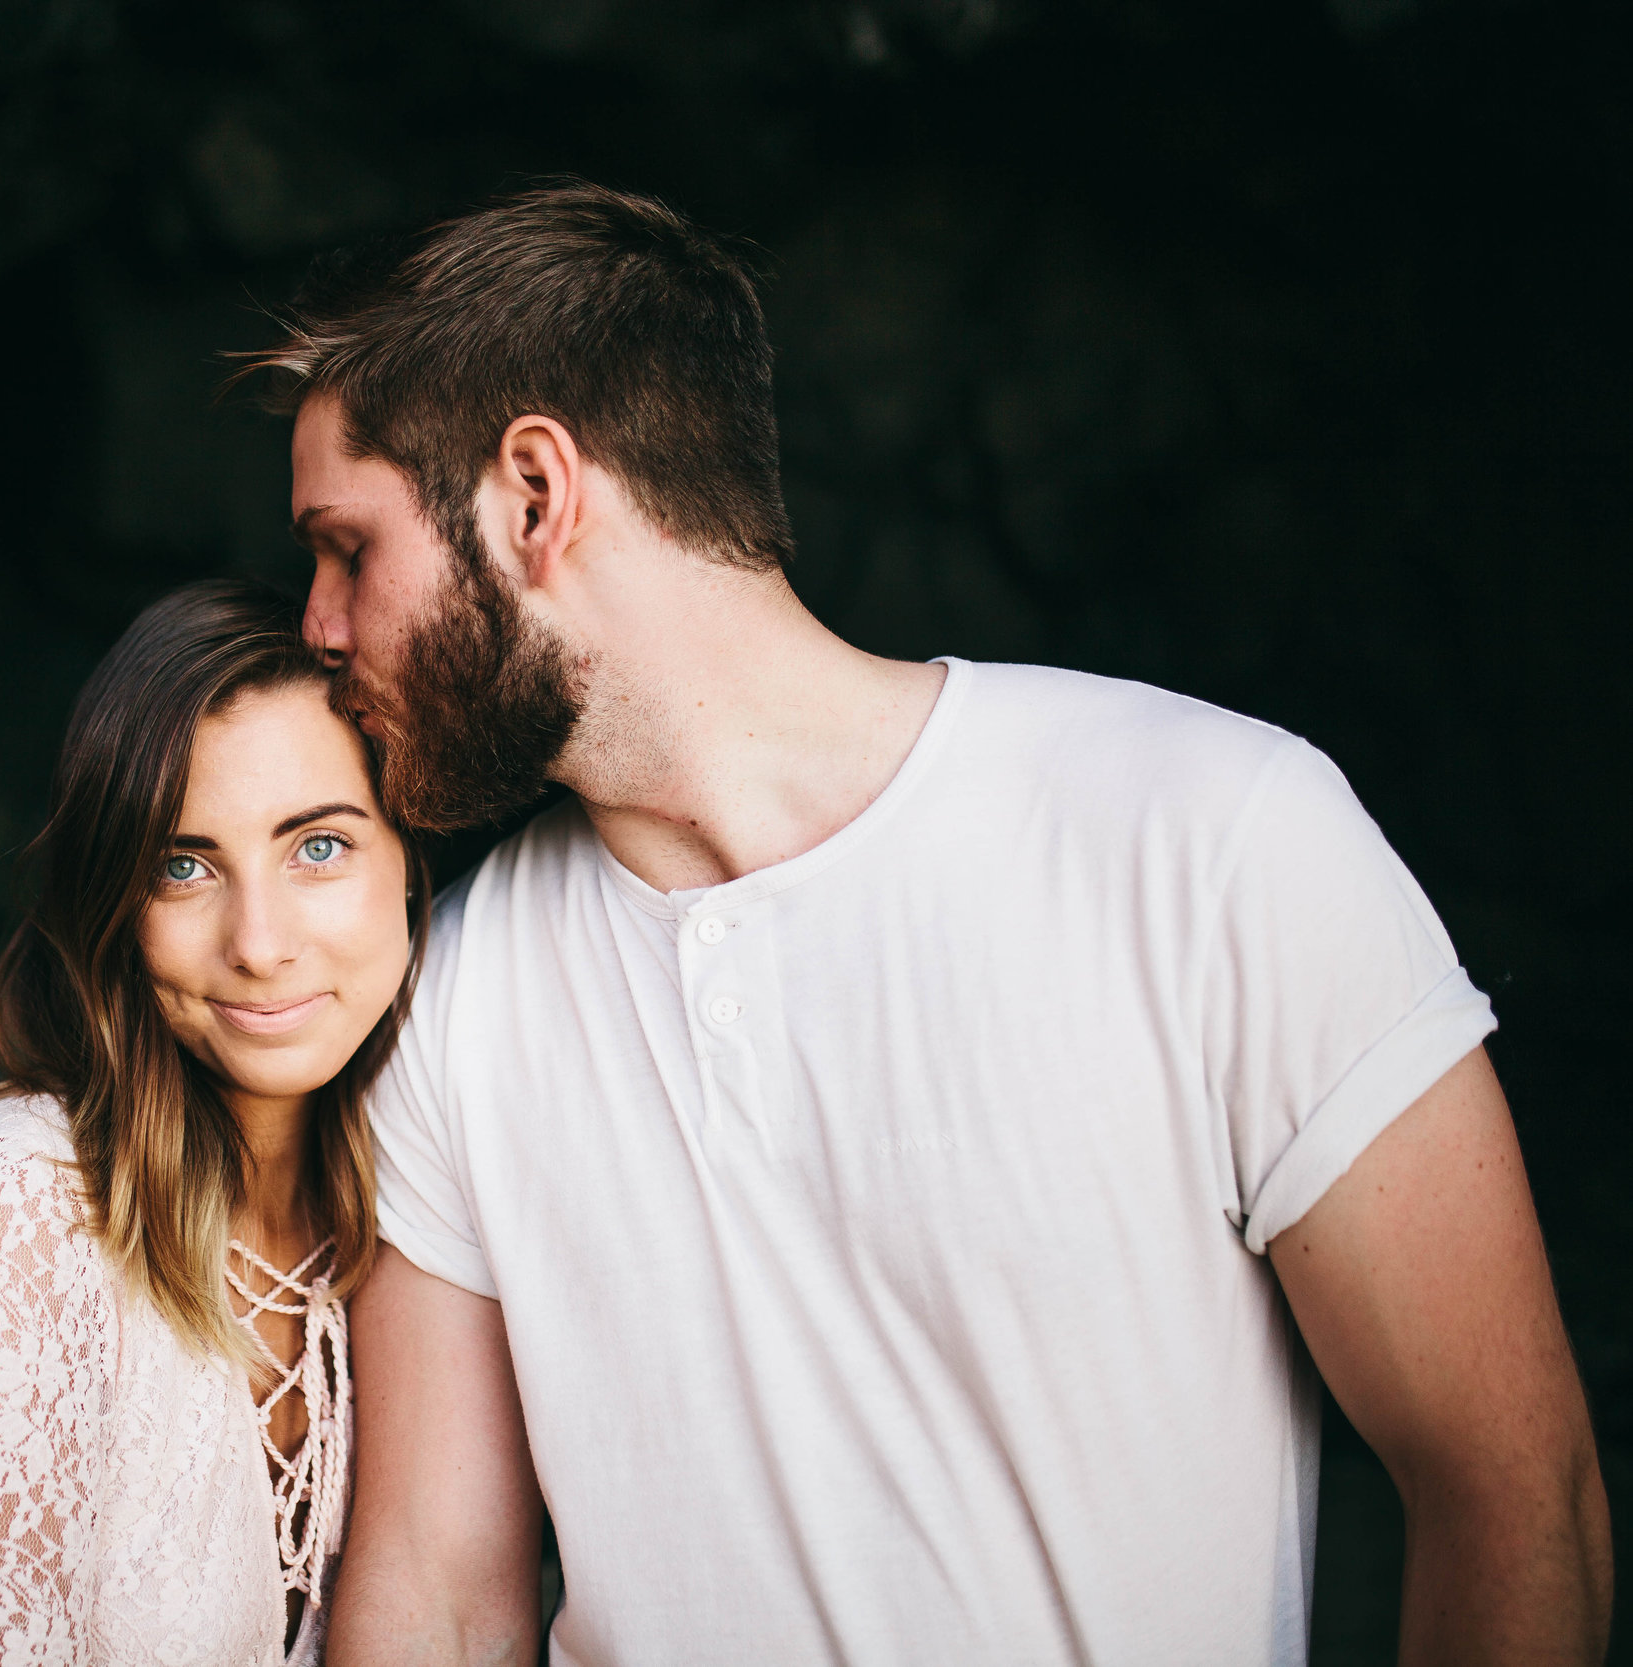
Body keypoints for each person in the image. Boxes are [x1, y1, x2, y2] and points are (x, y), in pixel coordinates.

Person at [237, 183, 1613, 1665]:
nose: (316, 621)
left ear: (533, 493)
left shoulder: (1215, 834)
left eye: (348, 547)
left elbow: (1512, 1487)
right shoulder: (454, 995)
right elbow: (441, 1596)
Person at [0, 581, 427, 1665]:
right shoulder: (11, 1215)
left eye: (319, 846)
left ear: (409, 857)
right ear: (115, 906)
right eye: (182, 865)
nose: (258, 942)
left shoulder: (427, 1183)